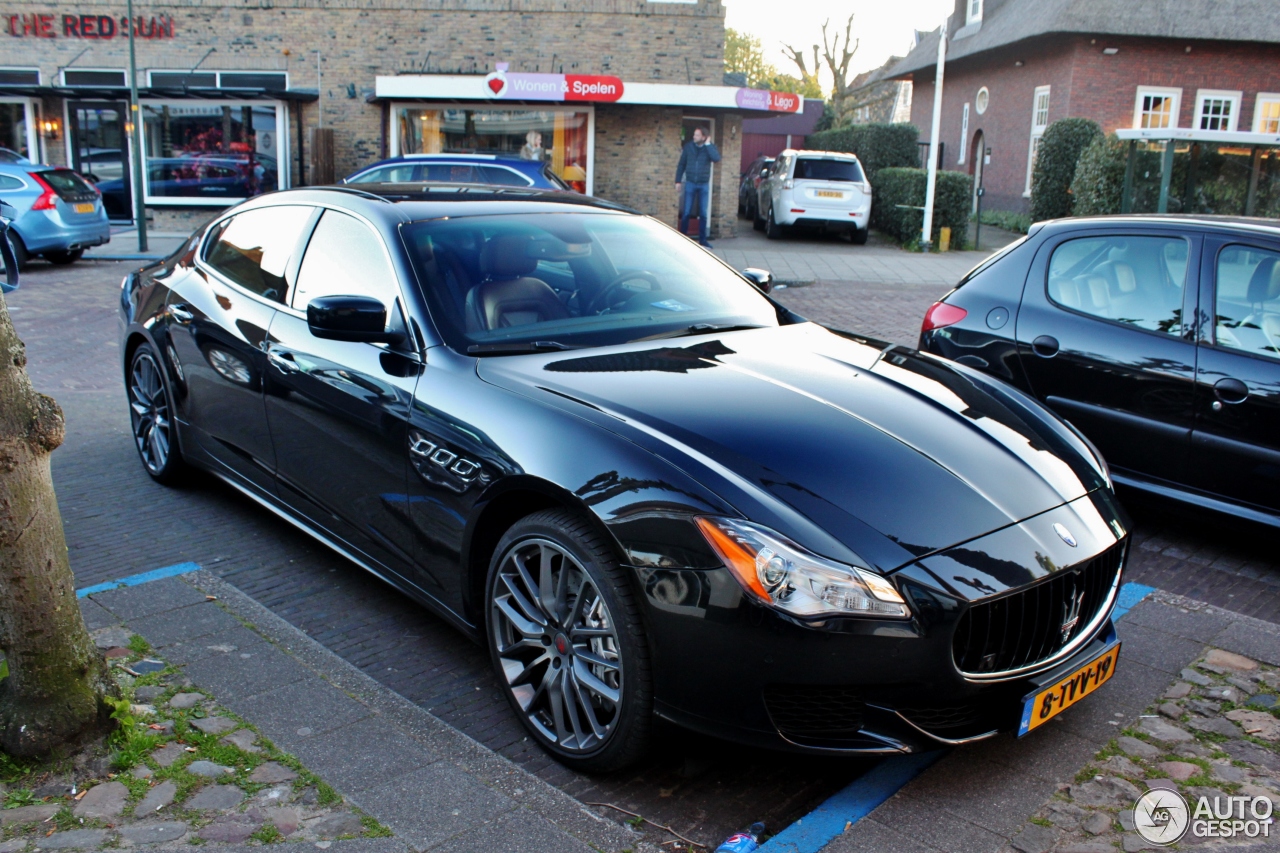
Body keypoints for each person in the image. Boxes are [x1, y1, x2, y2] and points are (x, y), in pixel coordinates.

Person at [675, 127, 720, 247]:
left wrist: (708, 145)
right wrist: (678, 181)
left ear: (704, 137)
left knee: (703, 213)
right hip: (690, 183)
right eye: (694, 135)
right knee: (686, 212)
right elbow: (681, 164)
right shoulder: (689, 147)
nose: (694, 137)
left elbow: (716, 158)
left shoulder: (709, 148)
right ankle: (683, 238)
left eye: (697, 135)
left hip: (703, 184)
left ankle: (703, 240)